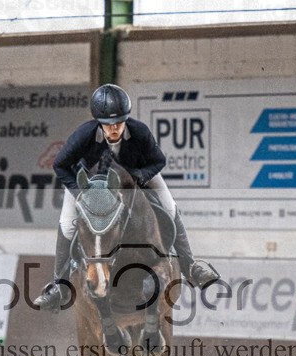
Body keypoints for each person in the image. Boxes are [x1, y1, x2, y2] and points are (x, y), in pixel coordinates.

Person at [34, 83, 220, 312]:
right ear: (99, 122)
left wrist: (139, 176)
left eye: (119, 123)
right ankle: (59, 285)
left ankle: (191, 267)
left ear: (126, 118)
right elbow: (59, 165)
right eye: (108, 125)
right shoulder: (84, 135)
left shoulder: (139, 132)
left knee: (170, 207)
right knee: (67, 224)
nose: (114, 129)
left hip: (136, 178)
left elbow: (158, 161)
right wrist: (79, 193)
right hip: (89, 187)